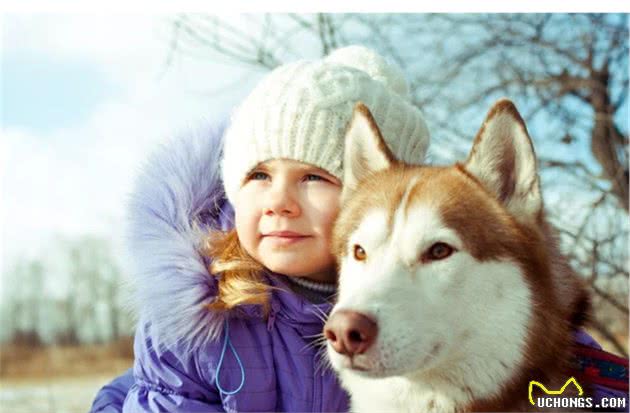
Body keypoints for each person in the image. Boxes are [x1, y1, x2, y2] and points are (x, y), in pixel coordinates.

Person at [89, 45, 431, 413]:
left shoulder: (410, 315)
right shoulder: (200, 317)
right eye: (259, 175)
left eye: (314, 177)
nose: (279, 200)